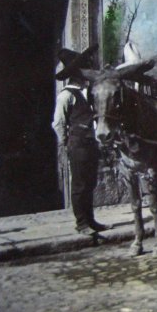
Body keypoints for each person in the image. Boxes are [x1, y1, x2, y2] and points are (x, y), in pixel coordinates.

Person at [53, 45, 110, 235]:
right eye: (85, 70)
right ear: (77, 74)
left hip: (91, 144)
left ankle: (91, 220)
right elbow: (58, 123)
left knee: (90, 182)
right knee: (79, 184)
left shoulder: (89, 93)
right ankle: (81, 223)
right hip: (77, 145)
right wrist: (65, 143)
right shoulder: (66, 95)